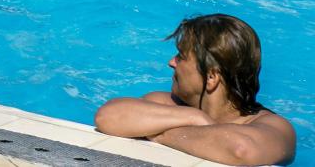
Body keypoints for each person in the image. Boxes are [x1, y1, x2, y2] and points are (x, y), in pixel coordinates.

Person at [95, 14, 296, 166]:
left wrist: (158, 134)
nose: (171, 62)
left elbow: (241, 150)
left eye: (181, 57)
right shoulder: (169, 103)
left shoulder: (273, 126)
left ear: (211, 77)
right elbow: (108, 116)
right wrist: (192, 117)